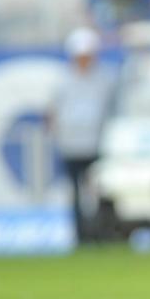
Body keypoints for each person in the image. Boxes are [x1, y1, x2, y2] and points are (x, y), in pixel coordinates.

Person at [48, 28, 116, 243]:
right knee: (76, 193)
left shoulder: (105, 79)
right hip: (71, 145)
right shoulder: (63, 80)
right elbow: (53, 112)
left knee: (100, 191)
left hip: (98, 144)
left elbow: (111, 109)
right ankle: (81, 235)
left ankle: (102, 232)